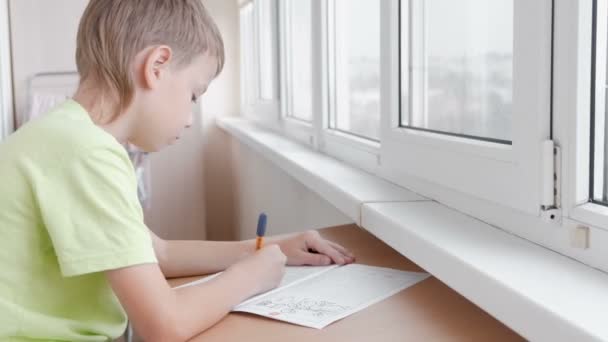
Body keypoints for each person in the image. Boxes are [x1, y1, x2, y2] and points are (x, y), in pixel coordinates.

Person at [0, 1, 355, 340]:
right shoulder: (85, 153)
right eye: (194, 94)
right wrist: (250, 277)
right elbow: (164, 326)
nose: (189, 119)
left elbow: (158, 253)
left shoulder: (64, 136)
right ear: (156, 66)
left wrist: (269, 249)